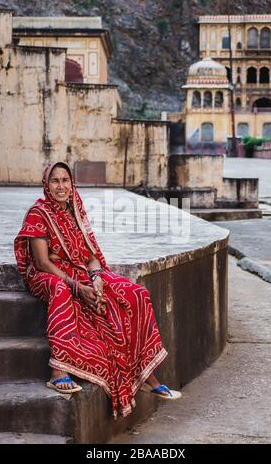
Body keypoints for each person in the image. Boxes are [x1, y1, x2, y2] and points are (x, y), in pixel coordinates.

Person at [14, 162, 181, 420]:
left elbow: (91, 257)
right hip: (48, 275)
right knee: (61, 290)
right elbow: (42, 262)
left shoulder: (75, 211)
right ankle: (59, 371)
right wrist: (78, 287)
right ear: (46, 185)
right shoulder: (39, 213)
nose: (61, 186)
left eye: (65, 180)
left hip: (80, 271)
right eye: (55, 181)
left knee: (135, 294)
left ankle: (145, 373)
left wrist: (97, 278)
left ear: (72, 184)